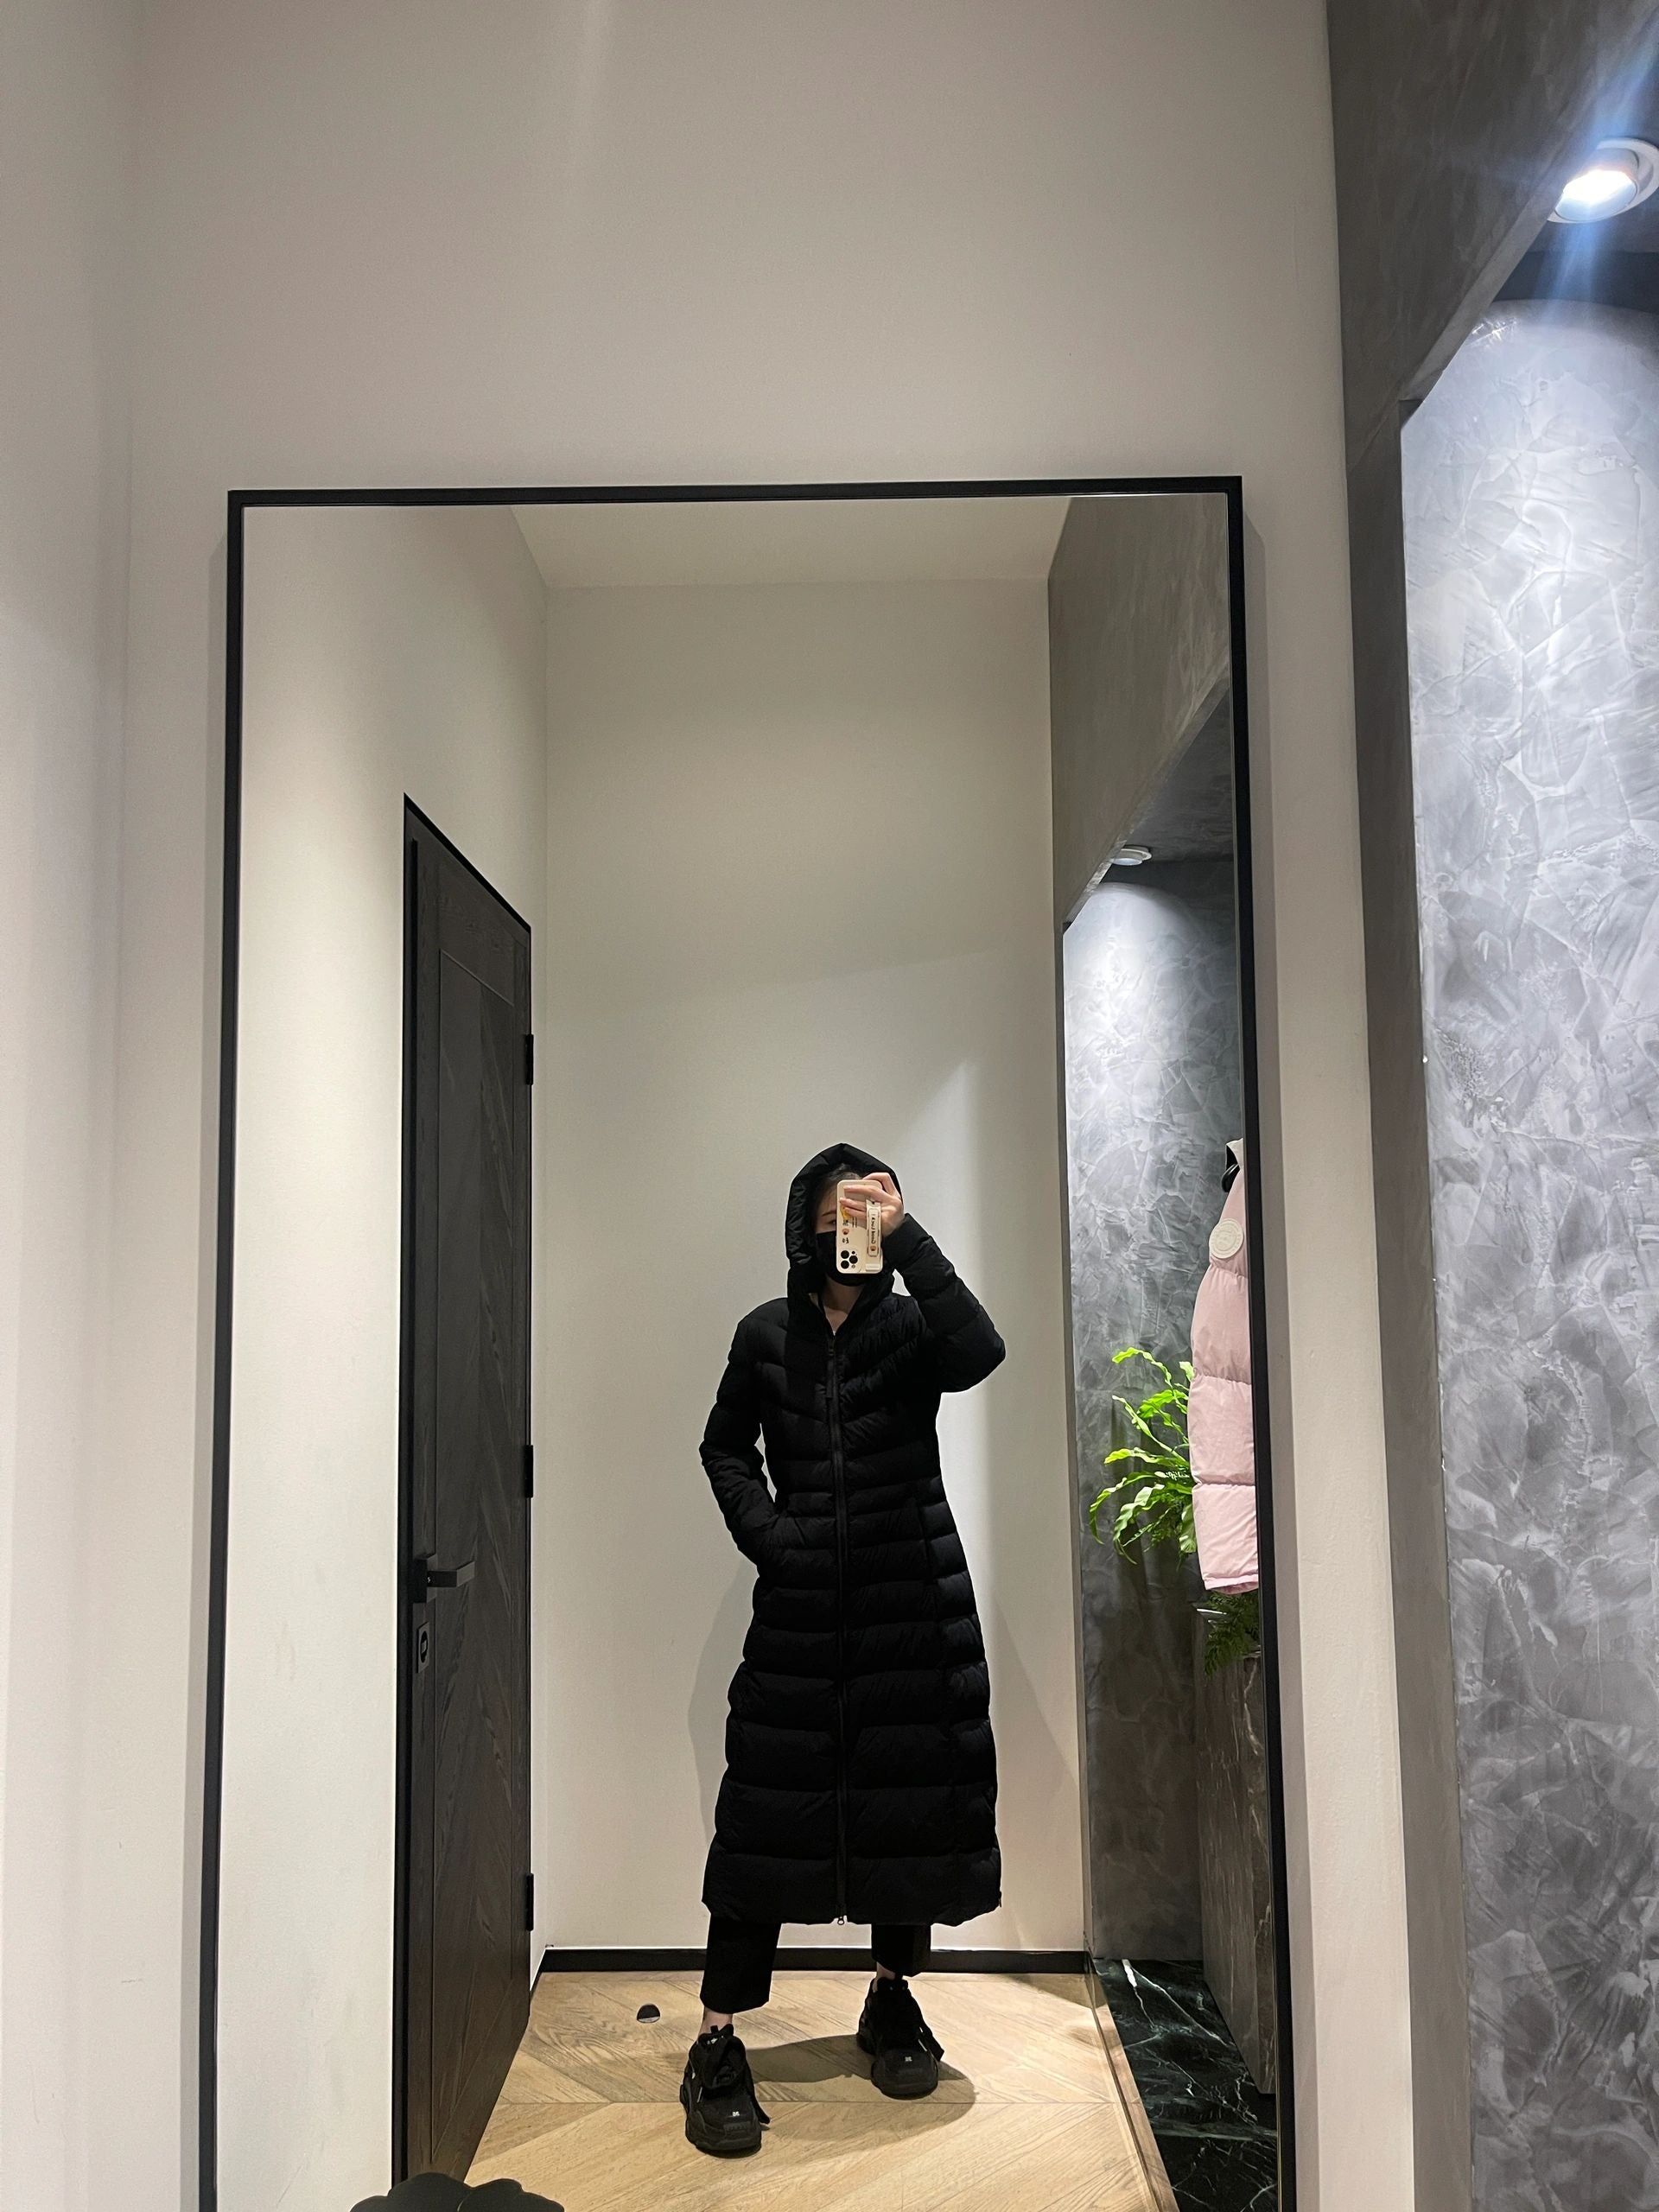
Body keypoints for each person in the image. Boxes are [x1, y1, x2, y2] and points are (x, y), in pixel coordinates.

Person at [679, 1142, 1005, 2157]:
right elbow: (724, 1446)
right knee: (763, 1824)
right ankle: (716, 2041)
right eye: (834, 1216)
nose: (848, 1233)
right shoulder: (764, 1334)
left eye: (865, 1216)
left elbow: (980, 1350)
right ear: (801, 1228)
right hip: (802, 1610)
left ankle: (892, 1997)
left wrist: (911, 1240)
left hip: (914, 1602)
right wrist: (775, 1540)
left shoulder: (911, 1327)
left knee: (909, 1809)